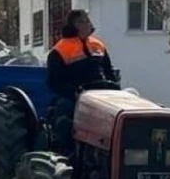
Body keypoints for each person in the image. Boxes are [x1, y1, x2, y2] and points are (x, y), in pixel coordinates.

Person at [45, 9, 119, 153]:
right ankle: (62, 151)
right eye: (82, 21)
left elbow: (109, 72)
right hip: (75, 96)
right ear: (73, 25)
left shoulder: (99, 46)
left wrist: (114, 86)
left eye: (87, 20)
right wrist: (74, 92)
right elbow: (54, 82)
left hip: (102, 95)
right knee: (64, 110)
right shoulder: (59, 50)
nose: (87, 24)